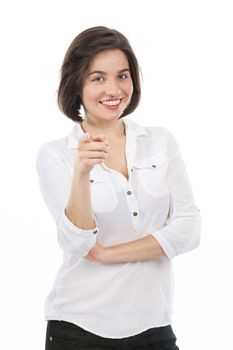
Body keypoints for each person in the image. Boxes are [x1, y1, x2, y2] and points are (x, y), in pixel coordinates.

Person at [36, 26, 201, 350]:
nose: (114, 89)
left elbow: (189, 230)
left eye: (122, 76)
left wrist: (107, 254)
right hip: (79, 328)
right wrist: (82, 173)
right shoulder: (55, 154)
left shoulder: (160, 141)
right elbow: (77, 241)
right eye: (98, 78)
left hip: (154, 326)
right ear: (77, 84)